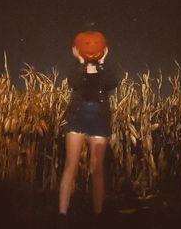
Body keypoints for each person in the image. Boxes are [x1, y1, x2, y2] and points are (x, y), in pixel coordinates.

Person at [58, 38, 120, 227]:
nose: (90, 47)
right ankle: (61, 215)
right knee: (71, 165)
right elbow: (73, 82)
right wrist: (80, 62)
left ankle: (98, 216)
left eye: (95, 44)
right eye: (87, 44)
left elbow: (113, 82)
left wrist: (103, 62)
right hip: (78, 116)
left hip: (99, 119)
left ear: (103, 48)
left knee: (97, 169)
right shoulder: (77, 69)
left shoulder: (104, 70)